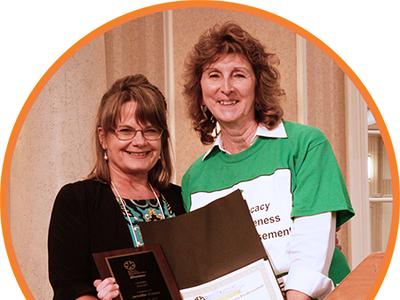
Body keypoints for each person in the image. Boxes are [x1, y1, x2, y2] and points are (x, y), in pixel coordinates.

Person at [181, 22, 354, 300]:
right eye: (214, 75)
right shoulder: (194, 179)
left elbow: (312, 243)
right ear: (200, 90)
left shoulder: (306, 145)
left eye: (238, 75)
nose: (226, 88)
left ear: (258, 84)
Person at [48, 74, 184, 299]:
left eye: (150, 130)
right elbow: (68, 288)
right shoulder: (77, 200)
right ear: (103, 137)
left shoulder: (179, 199)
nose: (139, 141)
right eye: (126, 130)